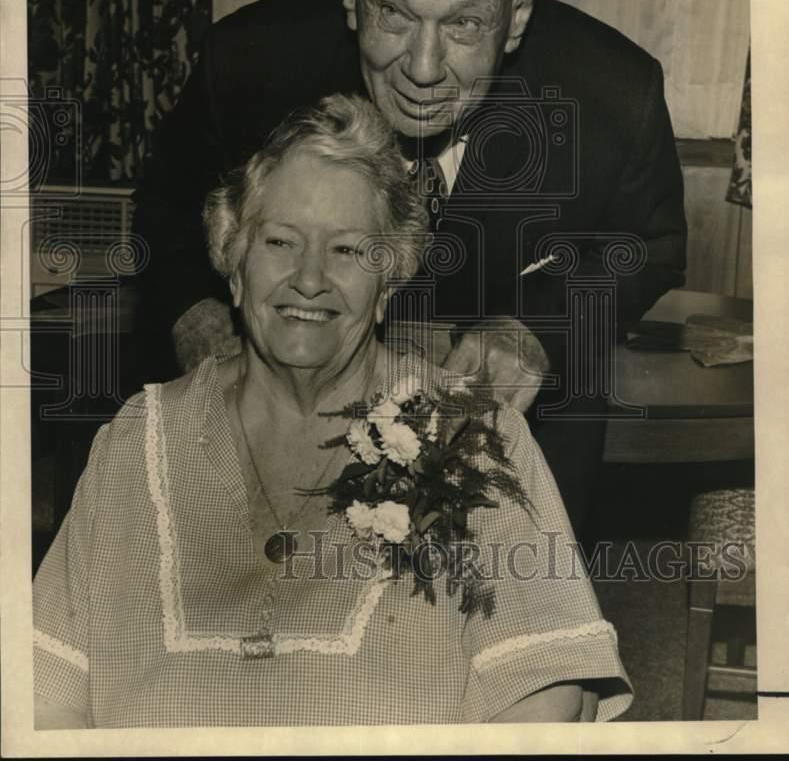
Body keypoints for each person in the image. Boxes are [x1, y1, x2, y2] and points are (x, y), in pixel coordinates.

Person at [132, 0, 687, 540]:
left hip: (509, 449)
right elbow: (164, 205)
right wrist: (197, 312)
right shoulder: (246, 62)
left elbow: (650, 244)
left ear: (515, 18)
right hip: (276, 420)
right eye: (393, 14)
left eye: (462, 26)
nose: (421, 70)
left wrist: (538, 330)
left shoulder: (613, 96)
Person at [34, 95, 632, 728]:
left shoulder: (471, 437)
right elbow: (47, 689)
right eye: (280, 241)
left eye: (347, 251)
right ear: (233, 266)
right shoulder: (139, 436)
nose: (309, 278)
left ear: (388, 283)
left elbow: (547, 687)